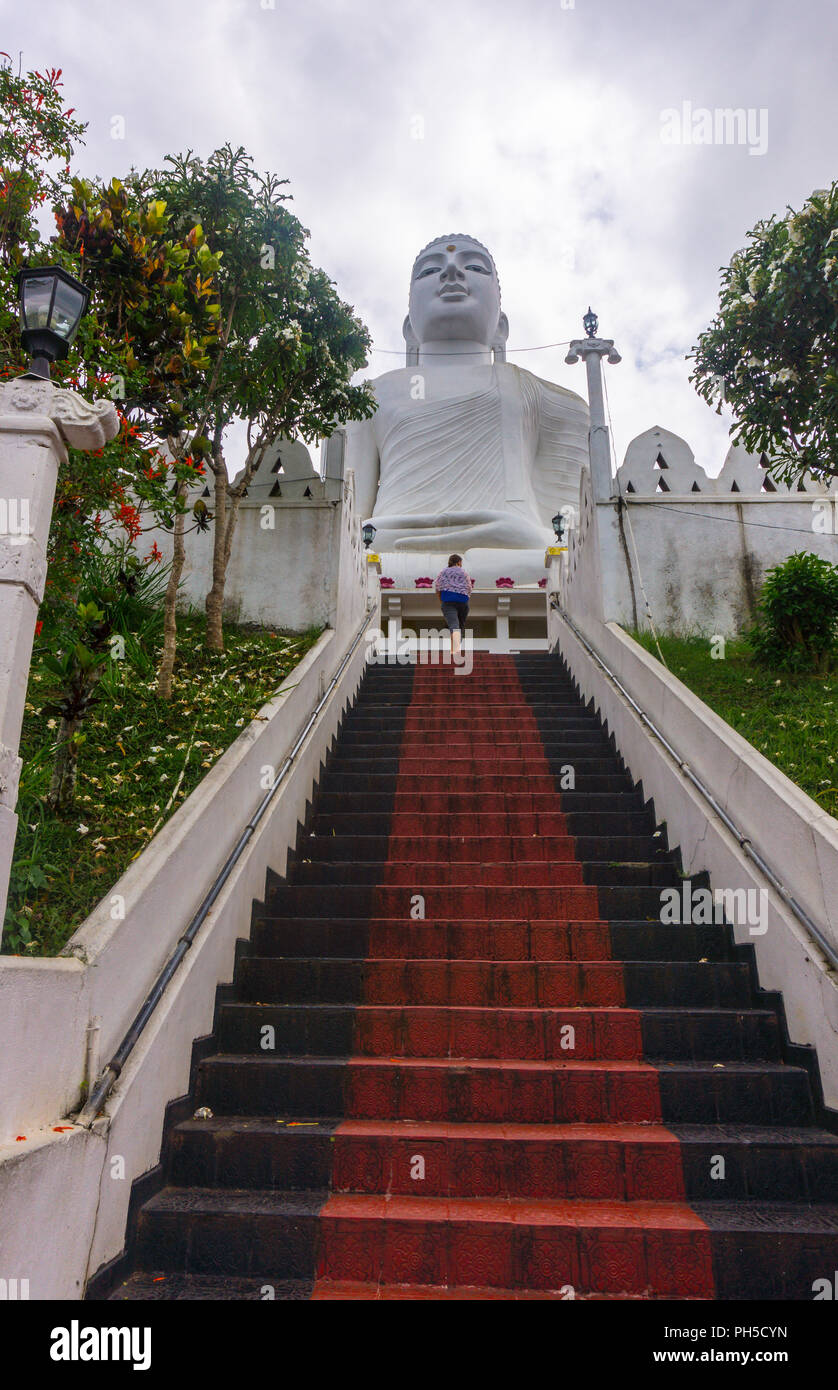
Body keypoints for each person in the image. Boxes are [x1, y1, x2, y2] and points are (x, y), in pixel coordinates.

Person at [434, 554, 473, 664]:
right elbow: (469, 588)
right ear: (459, 562)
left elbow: (437, 587)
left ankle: (455, 650)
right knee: (459, 626)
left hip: (448, 600)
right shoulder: (463, 572)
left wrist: (442, 601)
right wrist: (465, 598)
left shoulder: (443, 572)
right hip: (463, 601)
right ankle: (455, 648)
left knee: (454, 625)